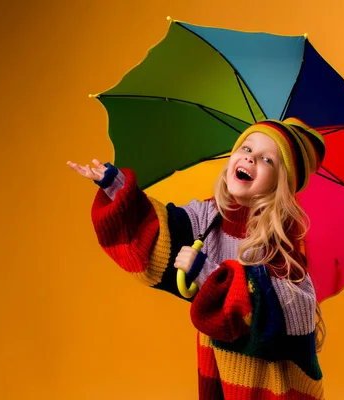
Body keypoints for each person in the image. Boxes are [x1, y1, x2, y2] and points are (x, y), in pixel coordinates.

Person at [67, 118, 327, 399]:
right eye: (247, 149)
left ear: (282, 185)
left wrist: (209, 274)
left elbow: (285, 312)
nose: (250, 159)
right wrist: (115, 187)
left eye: (267, 160)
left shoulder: (280, 241)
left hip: (269, 380)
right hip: (220, 365)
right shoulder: (208, 217)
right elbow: (162, 231)